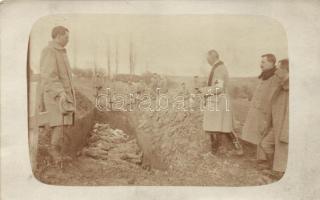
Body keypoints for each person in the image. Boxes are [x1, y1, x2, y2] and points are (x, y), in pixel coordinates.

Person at [38, 26, 76, 167]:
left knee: (64, 123)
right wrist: (60, 92)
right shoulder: (50, 51)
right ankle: (54, 154)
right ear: (58, 36)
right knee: (58, 124)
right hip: (55, 95)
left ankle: (59, 154)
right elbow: (49, 76)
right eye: (66, 37)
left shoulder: (61, 52)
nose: (68, 40)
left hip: (63, 95)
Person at [202, 49, 243, 155]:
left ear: (213, 56)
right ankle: (236, 148)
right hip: (217, 100)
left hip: (218, 100)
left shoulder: (219, 69)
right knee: (222, 126)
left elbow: (218, 88)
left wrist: (204, 90)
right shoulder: (218, 67)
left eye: (207, 57)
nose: (207, 60)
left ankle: (217, 151)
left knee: (218, 127)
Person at [241, 53, 278, 169]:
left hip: (266, 112)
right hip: (258, 111)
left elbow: (272, 97)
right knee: (258, 134)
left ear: (272, 63)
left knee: (264, 134)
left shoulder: (274, 77)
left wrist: (267, 114)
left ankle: (267, 162)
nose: (260, 64)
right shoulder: (265, 76)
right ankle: (261, 159)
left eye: (263, 62)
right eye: (261, 62)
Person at [259, 59, 289, 177]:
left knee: (283, 148)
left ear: (286, 70)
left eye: (279, 68)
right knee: (265, 143)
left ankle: (279, 172)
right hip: (277, 124)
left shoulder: (290, 86)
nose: (276, 71)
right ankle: (274, 168)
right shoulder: (281, 83)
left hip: (285, 126)